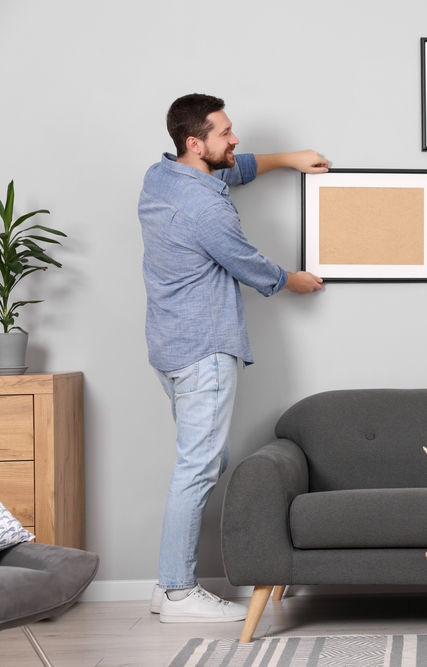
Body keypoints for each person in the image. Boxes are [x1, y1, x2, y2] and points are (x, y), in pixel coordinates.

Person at [138, 93, 327, 623]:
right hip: (205, 349)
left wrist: (287, 160)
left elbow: (232, 169)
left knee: (205, 460)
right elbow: (245, 262)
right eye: (224, 133)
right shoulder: (205, 208)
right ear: (195, 143)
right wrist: (292, 280)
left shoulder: (162, 176)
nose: (235, 138)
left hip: (170, 346)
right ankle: (177, 592)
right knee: (198, 467)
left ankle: (166, 586)